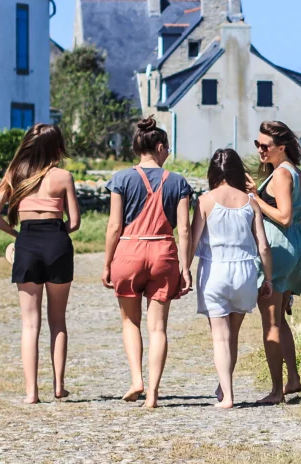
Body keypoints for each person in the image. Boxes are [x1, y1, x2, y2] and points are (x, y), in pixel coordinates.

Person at [0, 124, 80, 404]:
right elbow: (74, 222)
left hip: (27, 245)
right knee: (58, 320)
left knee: (29, 324)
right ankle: (59, 386)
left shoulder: (16, 174)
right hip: (57, 244)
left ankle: (31, 393)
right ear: (57, 148)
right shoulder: (63, 177)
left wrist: (17, 235)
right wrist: (56, 233)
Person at [102, 118, 195, 409]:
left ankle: (136, 380)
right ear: (158, 147)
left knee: (130, 322)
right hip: (163, 253)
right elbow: (184, 229)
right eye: (166, 147)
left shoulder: (120, 179)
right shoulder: (178, 182)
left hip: (129, 251)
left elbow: (115, 226)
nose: (168, 152)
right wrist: (185, 267)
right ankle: (153, 394)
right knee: (158, 329)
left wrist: (107, 263)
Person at [187, 149, 272, 409]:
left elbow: (192, 240)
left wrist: (185, 270)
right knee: (232, 335)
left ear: (213, 173)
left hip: (215, 272)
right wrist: (268, 278)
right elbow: (264, 246)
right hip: (245, 272)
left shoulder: (204, 201)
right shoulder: (251, 202)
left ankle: (228, 395)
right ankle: (224, 389)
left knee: (220, 338)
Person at [253, 120, 301, 405]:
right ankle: (293, 379)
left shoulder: (281, 175)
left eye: (265, 146)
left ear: (281, 147)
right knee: (280, 320)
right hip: (295, 247)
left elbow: (284, 216)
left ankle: (276, 391)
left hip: (278, 249)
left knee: (271, 323)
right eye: (258, 144)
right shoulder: (296, 172)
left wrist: (255, 199)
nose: (261, 150)